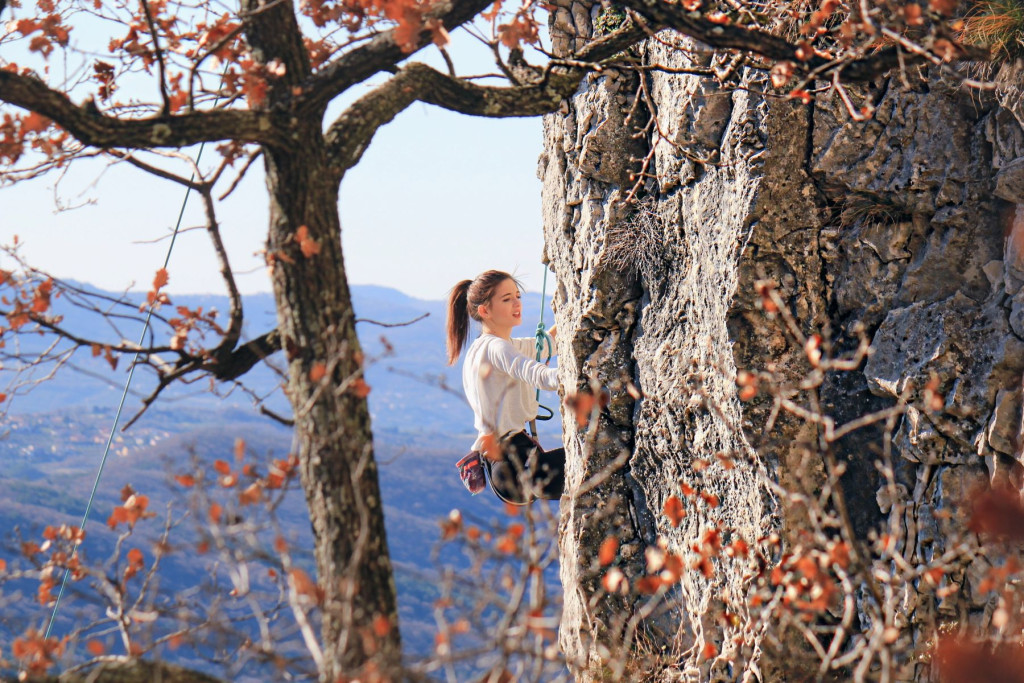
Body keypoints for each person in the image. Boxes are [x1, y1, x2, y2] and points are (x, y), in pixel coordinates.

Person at [446, 270, 565, 503]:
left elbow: (545, 346)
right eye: (506, 299)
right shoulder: (496, 349)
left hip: (505, 465)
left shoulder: (489, 347)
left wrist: (570, 317)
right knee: (599, 460)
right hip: (514, 462)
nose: (516, 303)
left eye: (517, 296)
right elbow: (535, 374)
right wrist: (577, 380)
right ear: (484, 311)